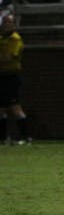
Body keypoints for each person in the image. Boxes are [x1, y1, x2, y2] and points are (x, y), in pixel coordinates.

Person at [0, 14, 29, 145]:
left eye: (9, 23)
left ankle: (26, 137)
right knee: (1, 109)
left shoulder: (15, 39)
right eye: (4, 22)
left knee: (15, 108)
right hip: (2, 76)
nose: (6, 25)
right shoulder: (1, 38)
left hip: (11, 76)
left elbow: (9, 58)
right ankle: (3, 138)